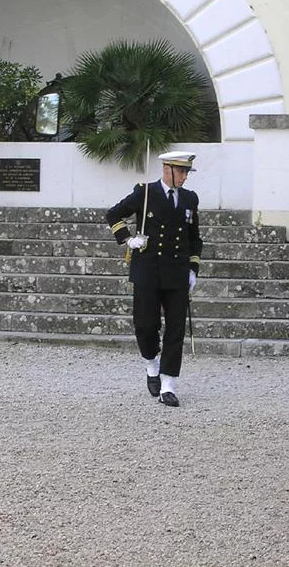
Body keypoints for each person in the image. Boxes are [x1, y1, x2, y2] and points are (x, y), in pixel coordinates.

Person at [105, 151, 202, 408]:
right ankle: (151, 364)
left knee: (175, 330)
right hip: (147, 269)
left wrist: (193, 269)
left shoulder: (190, 199)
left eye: (186, 172)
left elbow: (194, 239)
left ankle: (168, 385)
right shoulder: (145, 193)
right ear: (166, 169)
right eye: (180, 171)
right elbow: (113, 215)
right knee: (146, 326)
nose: (184, 177)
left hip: (177, 272)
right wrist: (128, 239)